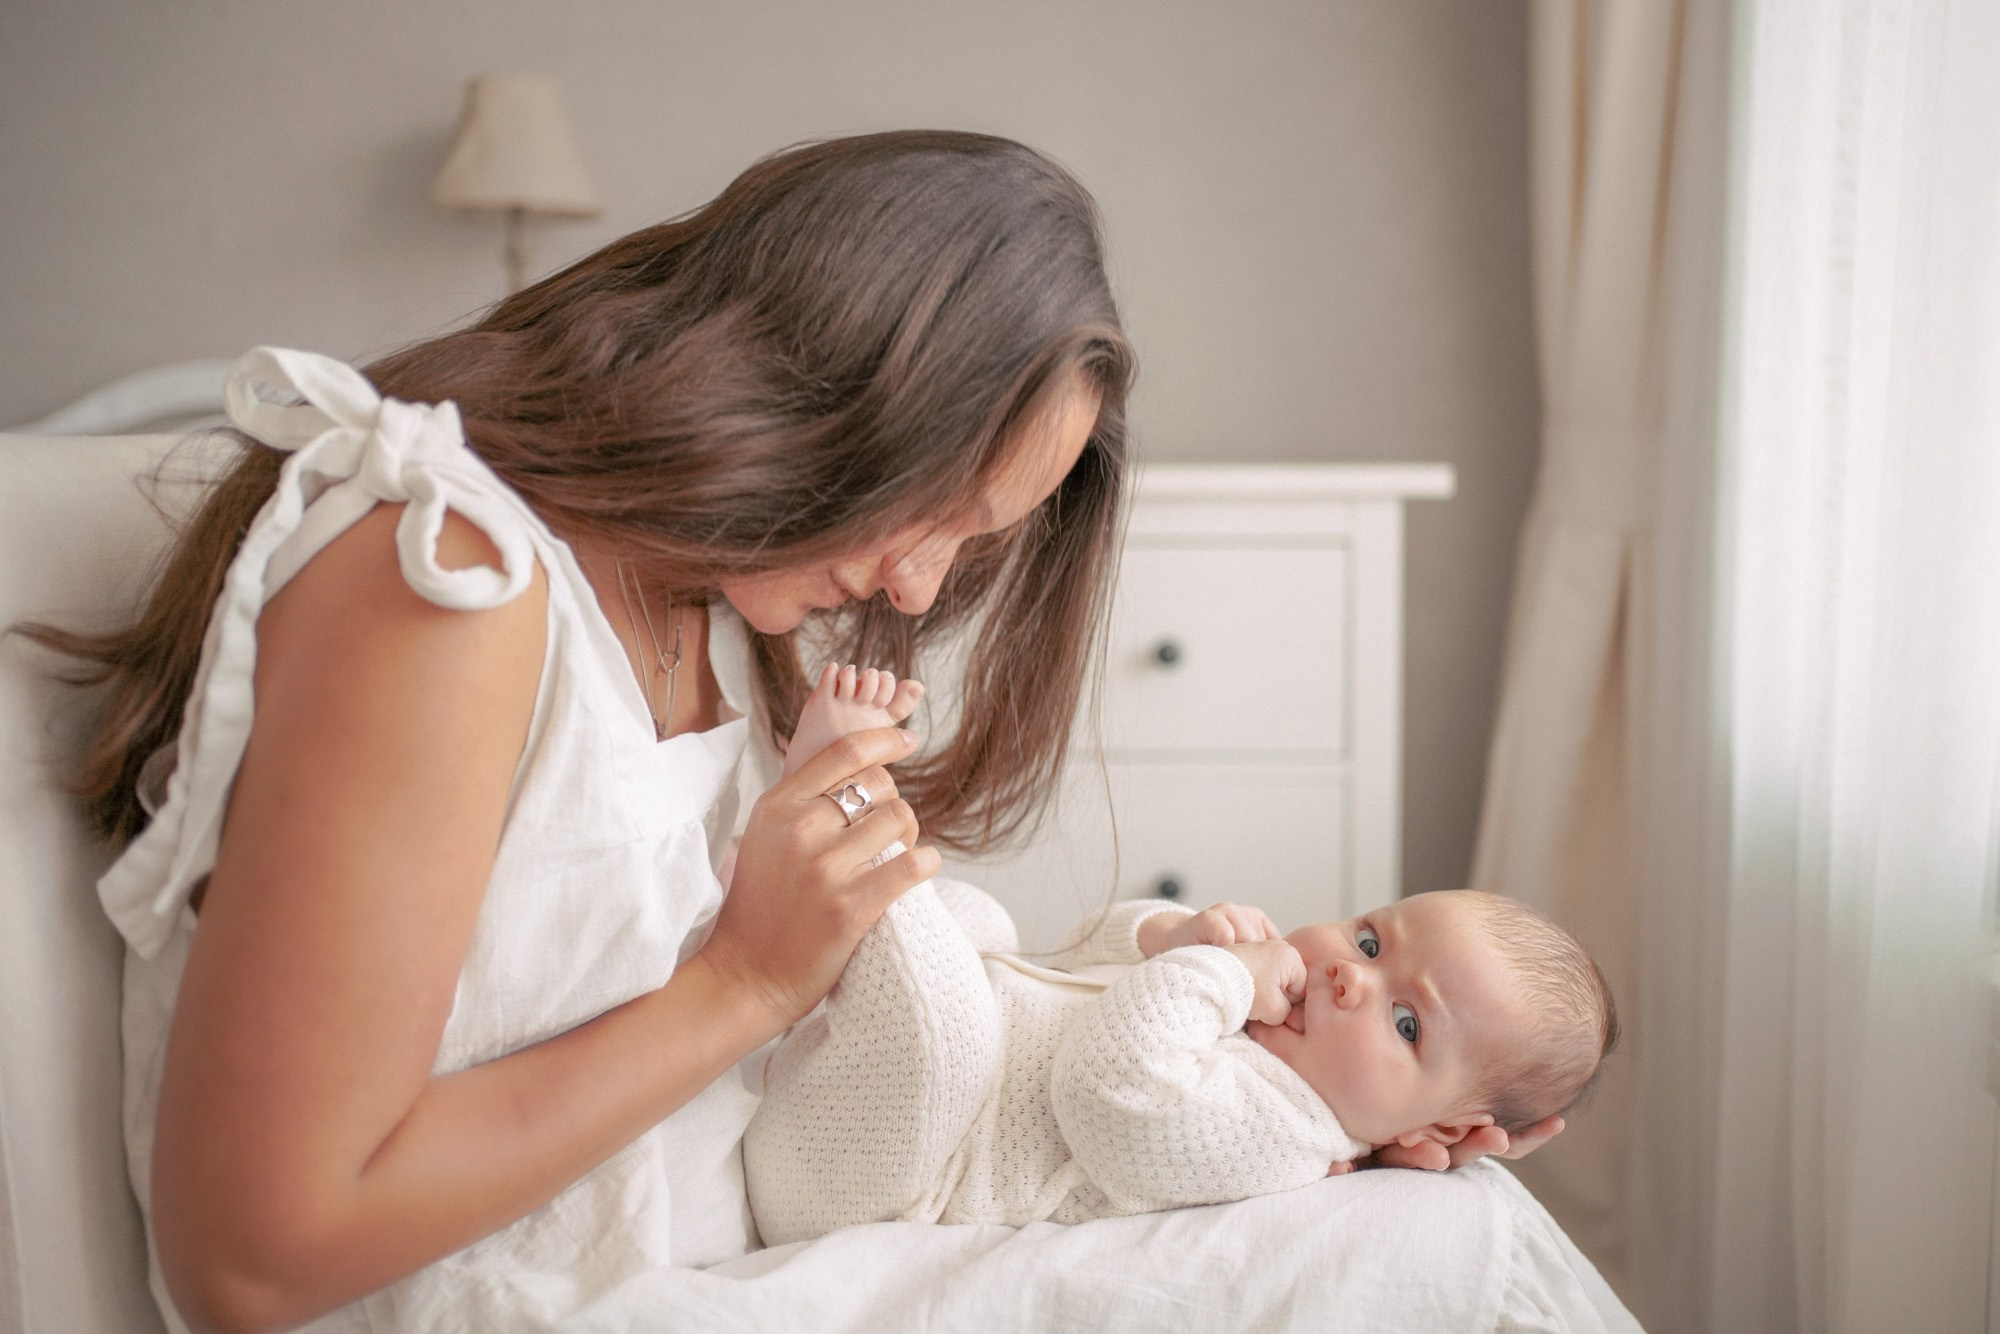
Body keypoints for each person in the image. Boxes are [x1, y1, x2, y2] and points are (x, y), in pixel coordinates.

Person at [20, 130, 1557, 1334]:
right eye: (934, 509)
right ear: (813, 384)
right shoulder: (450, 584)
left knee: (1446, 1230)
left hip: (731, 1260)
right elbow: (254, 1255)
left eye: (972, 544)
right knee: (1463, 1270)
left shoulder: (700, 597)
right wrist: (748, 980)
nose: (919, 588)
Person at [743, 666, 1617, 1243]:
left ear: (1434, 1132)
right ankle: (806, 902)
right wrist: (1166, 936)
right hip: (871, 1107)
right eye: (1369, 939)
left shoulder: (1280, 1134)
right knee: (986, 924)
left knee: (954, 1024)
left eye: (1406, 1023)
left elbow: (1108, 1089)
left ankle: (836, 797)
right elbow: (1074, 955)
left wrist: (1216, 975)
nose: (1350, 976)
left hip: (873, 1179)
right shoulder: (1265, 1019)